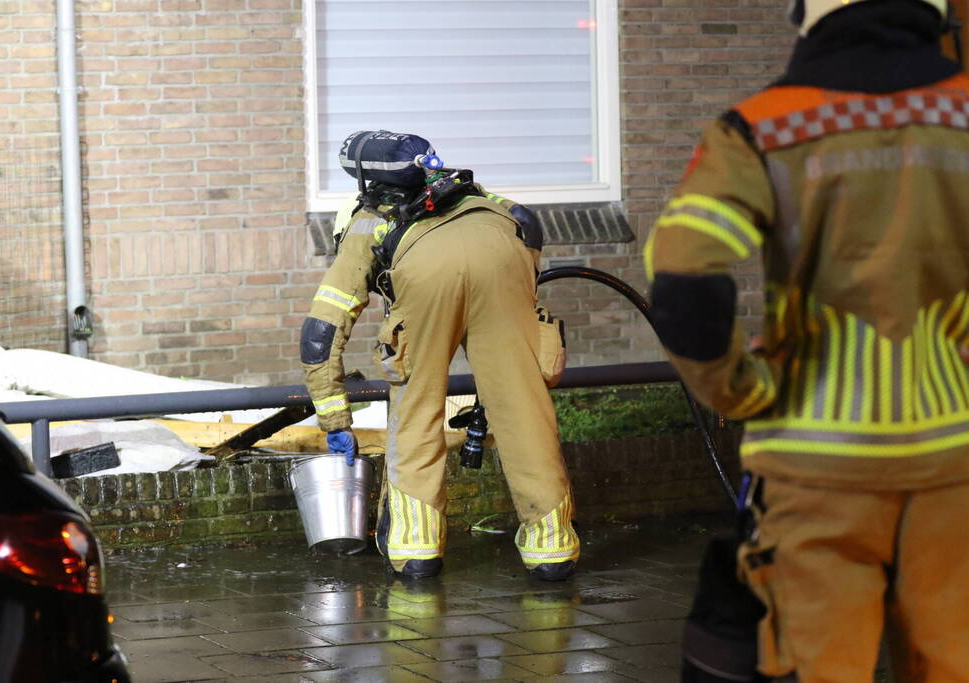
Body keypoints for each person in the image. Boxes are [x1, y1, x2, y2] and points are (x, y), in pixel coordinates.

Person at [645, 0, 969, 680]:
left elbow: (683, 275)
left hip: (813, 465)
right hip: (954, 461)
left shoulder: (761, 126)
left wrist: (740, 389)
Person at [300, 130, 580, 580]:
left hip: (425, 277)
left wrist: (334, 418)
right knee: (525, 413)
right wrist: (521, 276)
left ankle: (417, 551)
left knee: (417, 412)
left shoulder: (366, 223)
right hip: (500, 255)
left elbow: (323, 328)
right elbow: (524, 218)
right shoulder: (472, 192)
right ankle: (552, 551)